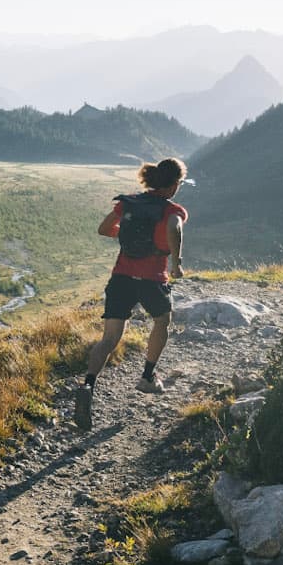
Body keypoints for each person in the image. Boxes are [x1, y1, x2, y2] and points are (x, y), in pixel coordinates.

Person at [73, 156, 187, 428]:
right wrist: (176, 262)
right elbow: (174, 228)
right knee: (162, 321)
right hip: (151, 280)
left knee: (109, 338)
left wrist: (129, 236)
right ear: (172, 185)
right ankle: (147, 377)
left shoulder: (129, 203)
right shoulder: (173, 210)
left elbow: (103, 229)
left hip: (121, 277)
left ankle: (88, 385)